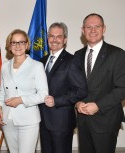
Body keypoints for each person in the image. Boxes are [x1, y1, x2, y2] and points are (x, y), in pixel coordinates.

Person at [75, 13, 125, 153]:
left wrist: (98, 105)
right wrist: (77, 103)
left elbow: (122, 88)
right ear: (83, 30)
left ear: (104, 29)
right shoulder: (77, 55)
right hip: (83, 121)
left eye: (97, 26)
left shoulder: (118, 54)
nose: (93, 30)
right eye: (88, 27)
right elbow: (75, 86)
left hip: (106, 121)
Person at [0, 29, 48, 153]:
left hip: (28, 119)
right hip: (8, 119)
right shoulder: (5, 66)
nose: (18, 46)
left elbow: (43, 95)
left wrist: (21, 100)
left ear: (27, 45)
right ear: (9, 46)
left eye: (21, 42)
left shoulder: (36, 66)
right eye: (14, 42)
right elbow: (2, 91)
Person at [39, 22, 88, 153]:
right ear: (47, 38)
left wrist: (57, 100)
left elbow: (81, 90)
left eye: (58, 36)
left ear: (65, 40)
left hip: (61, 122)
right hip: (42, 120)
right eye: (51, 36)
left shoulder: (72, 60)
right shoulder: (41, 61)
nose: (54, 40)